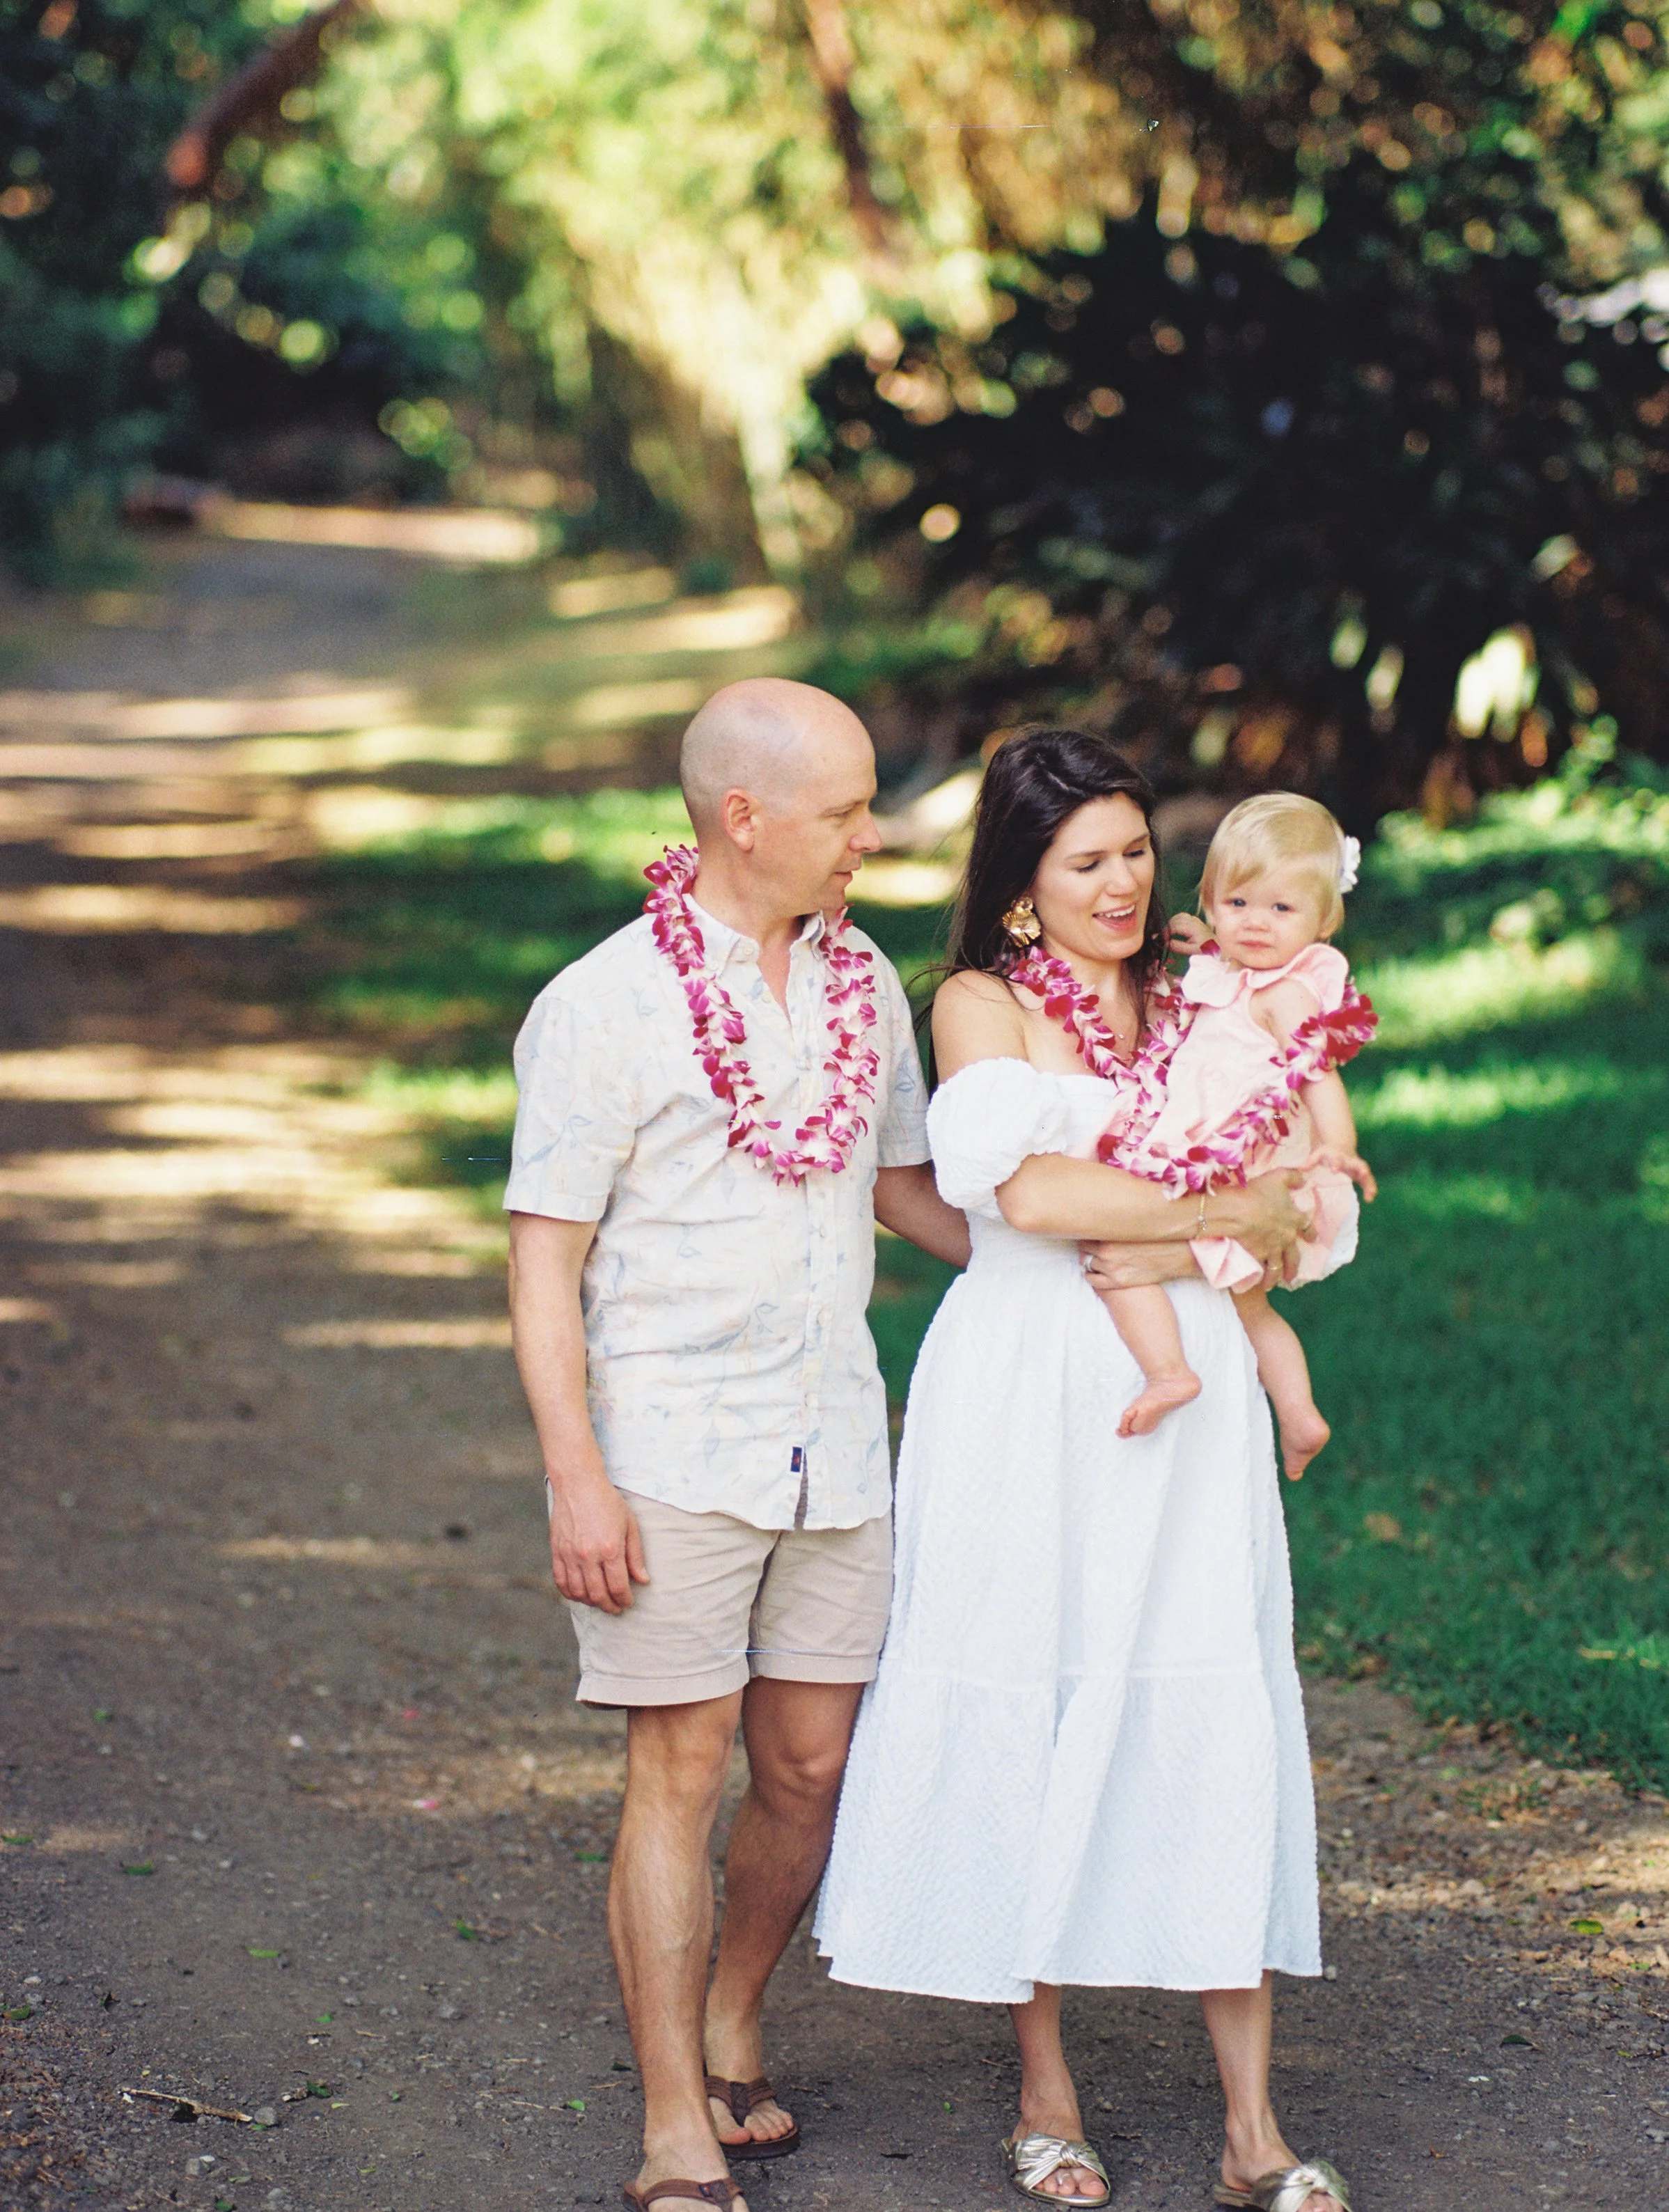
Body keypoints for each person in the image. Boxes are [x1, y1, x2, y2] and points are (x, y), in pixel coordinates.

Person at [815, 728, 1351, 2212]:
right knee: (1032, 1686)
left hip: (1186, 1375)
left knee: (1207, 1687)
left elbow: (1304, 1211)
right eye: (1086, 861)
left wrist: (1208, 1228)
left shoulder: (1212, 984)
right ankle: (1043, 2086)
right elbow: (1030, 1190)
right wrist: (1220, 1201)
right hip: (1027, 1383)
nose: (1122, 885)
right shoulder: (982, 1003)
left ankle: (1252, 2127)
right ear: (1019, 883)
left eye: (1134, 853)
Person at [504, 677, 971, 2212]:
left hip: (835, 1442)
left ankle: (730, 2008)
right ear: (743, 816)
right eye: (845, 810)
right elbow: (543, 1259)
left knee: (811, 1763)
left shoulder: (865, 985)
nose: (870, 837)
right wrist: (577, 1472)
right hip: (669, 1446)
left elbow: (906, 1189)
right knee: (679, 1769)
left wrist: (1081, 1257)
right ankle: (669, 2123)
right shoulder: (604, 1001)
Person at [1088, 792, 1379, 1478]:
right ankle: (1300, 1415)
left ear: (1322, 920)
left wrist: (1337, 1145)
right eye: (1238, 903)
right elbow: (1217, 949)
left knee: (1116, 1253)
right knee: (1251, 1309)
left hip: (1233, 1164)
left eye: (1281, 910)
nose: (1255, 925)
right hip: (1207, 1146)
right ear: (1214, 901)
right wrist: (1204, 934)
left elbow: (1318, 1076)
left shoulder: (1287, 995)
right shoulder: (1237, 966)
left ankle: (1169, 1372)